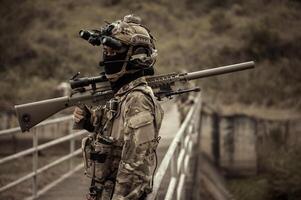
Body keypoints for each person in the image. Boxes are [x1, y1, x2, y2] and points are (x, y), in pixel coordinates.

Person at [73, 14, 164, 200]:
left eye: (114, 52)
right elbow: (115, 132)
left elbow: (134, 171)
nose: (107, 57)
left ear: (135, 56)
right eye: (105, 51)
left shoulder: (138, 99)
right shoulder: (123, 94)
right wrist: (90, 120)